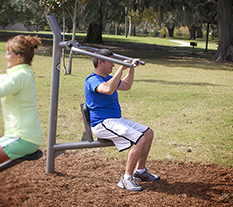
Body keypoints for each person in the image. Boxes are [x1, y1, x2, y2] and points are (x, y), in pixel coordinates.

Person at [85, 49, 160, 192]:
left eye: (115, 63)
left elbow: (126, 85)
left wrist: (131, 69)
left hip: (115, 120)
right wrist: (121, 67)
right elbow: (107, 89)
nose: (113, 65)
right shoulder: (92, 80)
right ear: (100, 62)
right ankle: (126, 179)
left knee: (148, 133)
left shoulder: (108, 78)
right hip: (102, 123)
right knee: (140, 139)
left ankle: (140, 171)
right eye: (111, 62)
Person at [0, 35, 43, 164]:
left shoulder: (21, 75)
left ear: (18, 57)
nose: (5, 56)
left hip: (22, 139)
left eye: (8, 53)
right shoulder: (20, 74)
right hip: (21, 137)